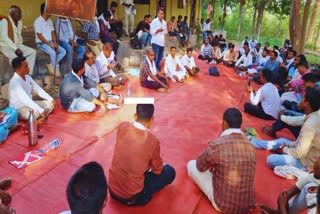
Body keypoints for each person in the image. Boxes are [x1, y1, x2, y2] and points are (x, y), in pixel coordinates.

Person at [187, 108, 256, 213]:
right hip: (247, 205)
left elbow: (200, 166)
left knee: (191, 165)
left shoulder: (219, 144)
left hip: (223, 205)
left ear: (224, 123)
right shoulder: (251, 146)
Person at [109, 104, 176, 206]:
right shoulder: (152, 141)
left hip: (112, 190)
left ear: (135, 115)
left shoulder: (123, 126)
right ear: (152, 119)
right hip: (133, 197)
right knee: (170, 171)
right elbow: (157, 170)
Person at [247, 87, 320, 171]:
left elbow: (300, 153)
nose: (300, 99)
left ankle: (299, 169)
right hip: (303, 150)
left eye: (303, 97)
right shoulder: (314, 115)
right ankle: (253, 142)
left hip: (306, 162)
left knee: (271, 160)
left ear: (307, 103)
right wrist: (282, 118)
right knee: (281, 141)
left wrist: (285, 149)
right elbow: (298, 121)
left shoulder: (310, 126)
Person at [8, 57, 55, 123]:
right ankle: (38, 117)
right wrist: (41, 111)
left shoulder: (28, 77)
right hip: (19, 108)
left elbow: (38, 90)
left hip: (29, 104)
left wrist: (51, 99)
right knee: (36, 113)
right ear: (19, 69)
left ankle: (40, 116)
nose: (29, 68)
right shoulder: (15, 82)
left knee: (50, 104)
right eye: (26, 66)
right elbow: (25, 100)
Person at [0, 5, 36, 74]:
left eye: (20, 13)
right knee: (15, 58)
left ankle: (27, 74)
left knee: (32, 52)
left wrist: (19, 47)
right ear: (12, 14)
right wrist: (16, 49)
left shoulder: (19, 22)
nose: (20, 15)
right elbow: (4, 37)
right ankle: (18, 75)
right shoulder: (5, 21)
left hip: (17, 44)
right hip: (6, 46)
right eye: (18, 13)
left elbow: (19, 35)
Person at [34, 3, 66, 77]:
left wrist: (54, 43)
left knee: (63, 51)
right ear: (45, 11)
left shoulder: (49, 20)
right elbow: (40, 36)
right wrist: (49, 44)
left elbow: (52, 32)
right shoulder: (37, 21)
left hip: (51, 42)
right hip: (41, 43)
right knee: (53, 53)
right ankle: (56, 71)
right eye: (50, 10)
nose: (51, 12)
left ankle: (51, 65)